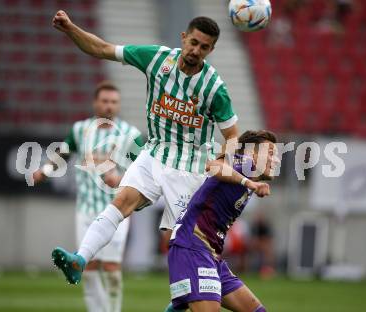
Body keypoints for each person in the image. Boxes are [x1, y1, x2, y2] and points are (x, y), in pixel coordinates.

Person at [50, 11, 245, 286]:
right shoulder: (156, 58)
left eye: (204, 47)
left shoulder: (214, 87)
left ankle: (192, 297)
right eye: (193, 42)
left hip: (189, 168)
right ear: (184, 38)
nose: (196, 50)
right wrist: (70, 29)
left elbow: (233, 135)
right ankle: (79, 260)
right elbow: (103, 48)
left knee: (184, 243)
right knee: (121, 202)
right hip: (154, 154)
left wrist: (223, 160)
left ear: (211, 49)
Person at [33, 81, 143, 312]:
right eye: (105, 101)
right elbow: (63, 153)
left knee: (112, 269)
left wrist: (120, 180)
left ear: (119, 104)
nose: (109, 106)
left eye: (114, 102)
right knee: (88, 268)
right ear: (95, 103)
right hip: (85, 209)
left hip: (116, 210)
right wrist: (44, 171)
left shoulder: (130, 134)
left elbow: (142, 170)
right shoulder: (80, 130)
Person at [167, 130, 279, 312]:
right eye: (271, 154)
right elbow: (213, 165)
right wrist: (248, 183)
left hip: (210, 255)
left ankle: (188, 294)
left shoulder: (245, 175)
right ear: (252, 153)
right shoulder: (246, 165)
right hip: (193, 246)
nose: (276, 160)